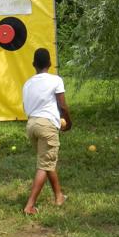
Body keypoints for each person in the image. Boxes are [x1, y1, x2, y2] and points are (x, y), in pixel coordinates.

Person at [22, 48, 72, 215]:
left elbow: (25, 107)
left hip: (31, 125)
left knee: (47, 161)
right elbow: (63, 105)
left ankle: (59, 196)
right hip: (47, 126)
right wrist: (68, 122)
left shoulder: (28, 83)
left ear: (33, 65)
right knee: (44, 164)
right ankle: (30, 205)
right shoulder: (56, 80)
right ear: (50, 64)